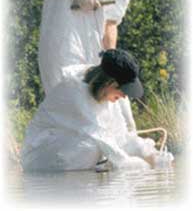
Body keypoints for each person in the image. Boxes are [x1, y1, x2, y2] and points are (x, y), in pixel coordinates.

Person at [21, 49, 173, 172]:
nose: (124, 95)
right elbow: (104, 141)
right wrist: (145, 166)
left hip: (68, 149)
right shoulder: (73, 91)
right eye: (122, 90)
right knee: (91, 147)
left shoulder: (106, 96)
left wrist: (150, 153)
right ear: (109, 82)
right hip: (39, 156)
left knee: (98, 149)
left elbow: (120, 136)